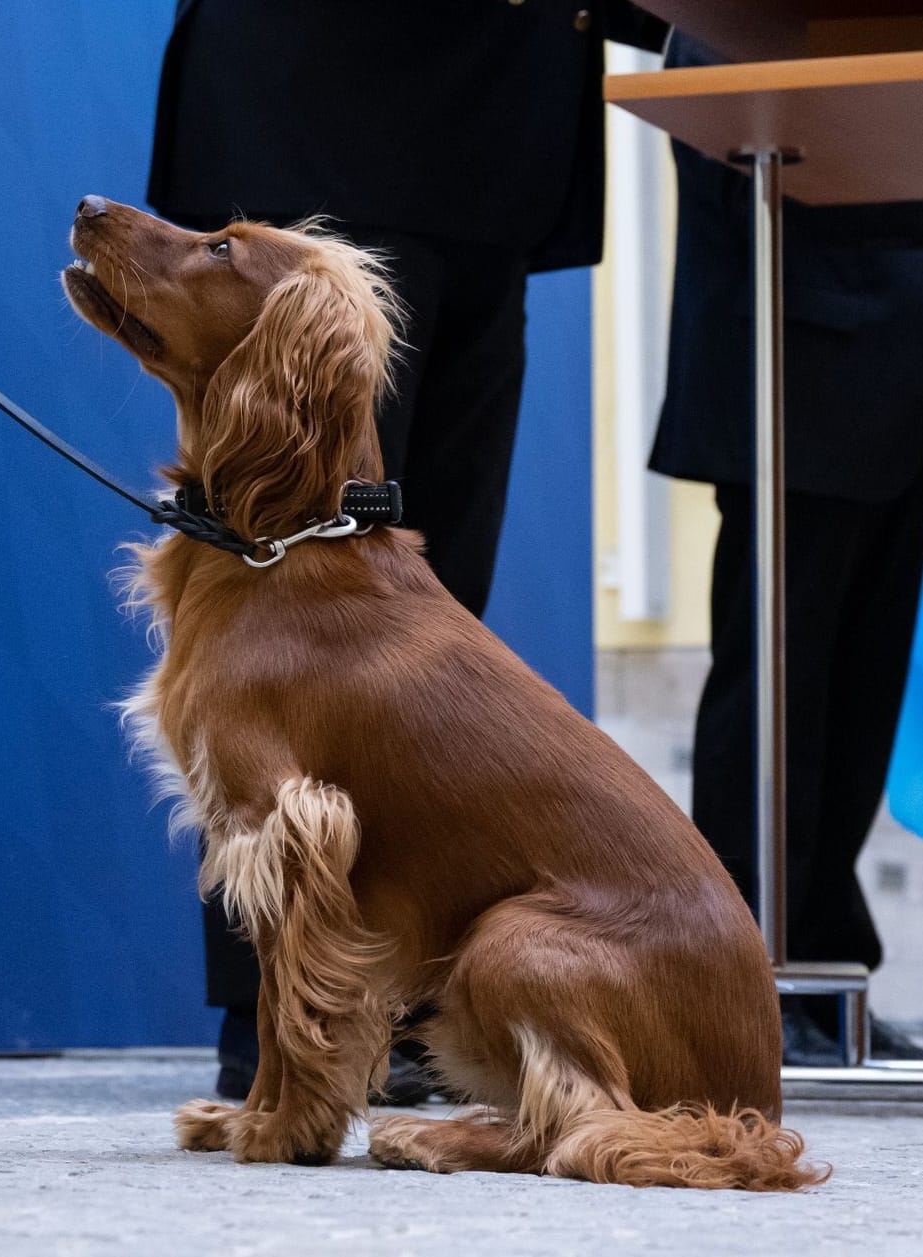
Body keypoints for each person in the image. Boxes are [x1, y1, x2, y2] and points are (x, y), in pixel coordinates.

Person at [147, 0, 669, 1098]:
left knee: (428, 632)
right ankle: (281, 1037)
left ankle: (400, 1018)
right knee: (281, 623)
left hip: (499, 158)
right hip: (324, 111)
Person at [652, 31, 923, 1066]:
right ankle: (737, 979)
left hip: (901, 359)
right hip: (796, 346)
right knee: (775, 695)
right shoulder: (736, 11)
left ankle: (827, 972)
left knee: (859, 697)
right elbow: (724, 116)